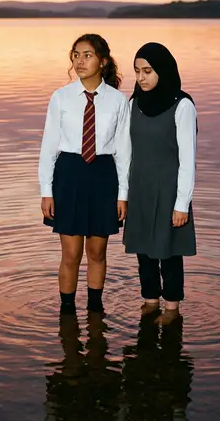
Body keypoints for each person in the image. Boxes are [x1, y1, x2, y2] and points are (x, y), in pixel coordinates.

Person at [38, 33, 131, 314]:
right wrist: (46, 190)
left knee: (97, 253)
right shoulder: (61, 97)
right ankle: (66, 313)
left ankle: (95, 311)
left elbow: (125, 151)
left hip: (104, 176)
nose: (80, 60)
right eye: (76, 55)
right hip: (69, 174)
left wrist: (123, 194)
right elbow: (48, 146)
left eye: (87, 55)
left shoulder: (117, 100)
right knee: (70, 254)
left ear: (102, 61)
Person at [123, 42, 197, 325]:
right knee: (144, 250)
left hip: (169, 190)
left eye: (147, 71)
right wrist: (124, 194)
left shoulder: (182, 105)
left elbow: (188, 159)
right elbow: (126, 152)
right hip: (140, 187)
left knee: (169, 251)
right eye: (137, 71)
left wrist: (182, 204)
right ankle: (150, 301)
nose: (141, 77)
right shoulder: (134, 104)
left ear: (162, 71)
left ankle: (172, 308)